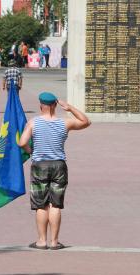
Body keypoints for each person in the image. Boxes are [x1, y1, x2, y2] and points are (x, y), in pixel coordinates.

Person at [18, 92, 91, 250]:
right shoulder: (64, 123)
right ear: (55, 106)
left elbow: (22, 142)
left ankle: (42, 241)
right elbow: (86, 121)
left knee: (41, 205)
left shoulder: (33, 122)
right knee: (55, 204)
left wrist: (31, 150)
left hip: (39, 166)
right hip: (59, 166)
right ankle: (54, 242)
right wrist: (70, 108)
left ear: (40, 105)